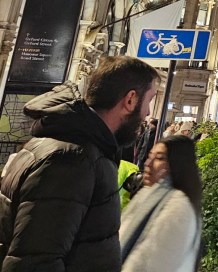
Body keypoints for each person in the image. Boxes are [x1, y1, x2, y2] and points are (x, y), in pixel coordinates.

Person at [0, 56, 160, 271]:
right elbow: (36, 261)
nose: (148, 113)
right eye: (149, 100)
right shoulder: (73, 159)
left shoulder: (68, 148)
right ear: (131, 99)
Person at [119, 135, 203, 272]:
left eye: (159, 158)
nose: (148, 163)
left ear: (177, 165)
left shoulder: (179, 209)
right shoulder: (145, 195)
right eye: (150, 156)